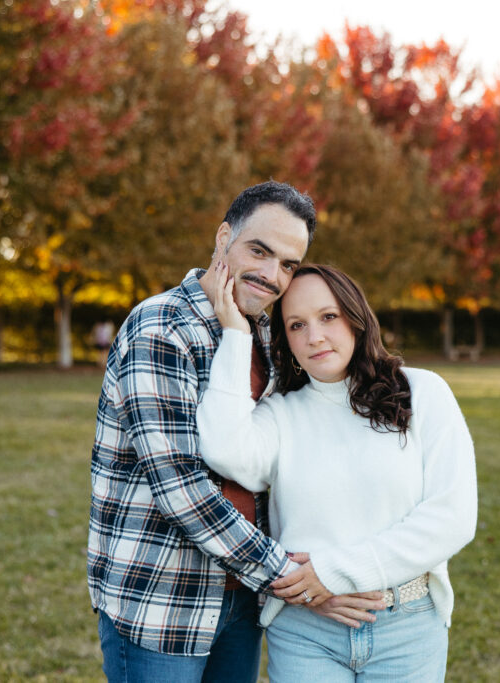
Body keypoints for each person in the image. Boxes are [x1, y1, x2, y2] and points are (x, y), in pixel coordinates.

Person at [88, 181, 381, 683]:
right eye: (259, 251)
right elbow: (181, 492)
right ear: (224, 236)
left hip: (243, 598)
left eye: (288, 264)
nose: (272, 275)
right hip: (163, 601)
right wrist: (300, 580)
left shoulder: (267, 333)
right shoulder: (161, 329)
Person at [197, 262, 478, 681]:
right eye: (296, 325)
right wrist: (236, 335)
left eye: (328, 316)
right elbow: (223, 450)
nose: (315, 337)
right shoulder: (280, 415)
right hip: (305, 631)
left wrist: (334, 572)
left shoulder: (424, 393)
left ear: (356, 317)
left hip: (407, 626)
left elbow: (452, 518)